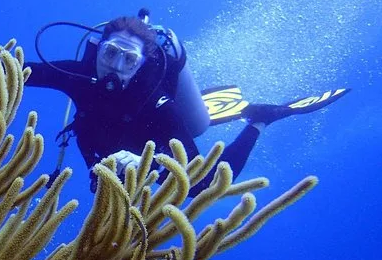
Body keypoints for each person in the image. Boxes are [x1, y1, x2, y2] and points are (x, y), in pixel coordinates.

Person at [24, 10, 348, 193]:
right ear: (99, 47)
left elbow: (197, 173)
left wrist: (149, 165)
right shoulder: (77, 74)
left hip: (153, 142)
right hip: (105, 143)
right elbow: (21, 71)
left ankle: (260, 120)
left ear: (141, 64)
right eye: (110, 53)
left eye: (129, 59)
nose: (116, 67)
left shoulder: (156, 100)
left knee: (207, 186)